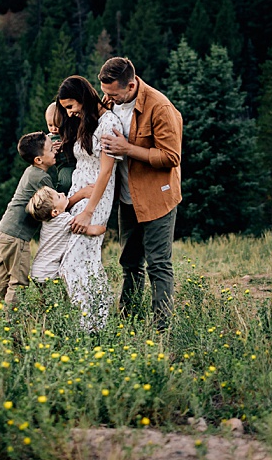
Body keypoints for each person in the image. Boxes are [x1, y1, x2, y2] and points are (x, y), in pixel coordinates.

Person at [97, 57, 183, 330]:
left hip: (157, 197)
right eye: (105, 92)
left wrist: (128, 149)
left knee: (158, 265)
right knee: (130, 263)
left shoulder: (160, 107)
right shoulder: (111, 101)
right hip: (126, 199)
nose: (107, 98)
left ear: (131, 85)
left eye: (112, 93)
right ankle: (129, 322)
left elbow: (172, 157)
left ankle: (162, 329)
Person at [57, 75, 124, 331]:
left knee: (71, 265)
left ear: (83, 98)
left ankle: (90, 324)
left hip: (96, 199)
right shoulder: (87, 121)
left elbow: (106, 173)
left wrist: (88, 212)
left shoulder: (108, 123)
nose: (70, 113)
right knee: (88, 262)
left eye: (72, 106)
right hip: (79, 193)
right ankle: (100, 323)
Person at [0, 132, 56, 305]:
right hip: (16, 237)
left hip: (4, 231)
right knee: (18, 282)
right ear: (38, 160)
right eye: (51, 149)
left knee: (1, 281)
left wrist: (52, 147)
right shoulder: (41, 178)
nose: (55, 151)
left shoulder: (31, 171)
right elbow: (55, 204)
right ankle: (12, 327)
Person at [45, 101, 76, 195]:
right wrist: (50, 148)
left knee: (68, 182)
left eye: (57, 125)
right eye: (50, 125)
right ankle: (58, 196)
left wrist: (66, 145)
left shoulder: (69, 135)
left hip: (71, 163)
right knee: (65, 183)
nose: (53, 129)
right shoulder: (48, 138)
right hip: (63, 166)